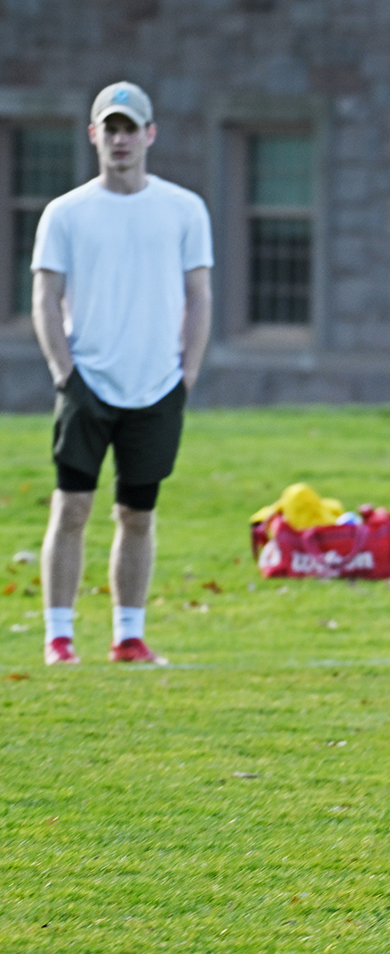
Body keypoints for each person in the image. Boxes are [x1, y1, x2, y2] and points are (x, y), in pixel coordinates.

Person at [31, 81, 213, 666]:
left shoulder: (184, 209)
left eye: (129, 128)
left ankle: (128, 637)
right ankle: (60, 638)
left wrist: (186, 375)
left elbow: (199, 295)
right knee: (72, 508)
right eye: (109, 129)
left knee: (137, 512)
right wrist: (65, 373)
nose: (120, 139)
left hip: (157, 387)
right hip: (87, 385)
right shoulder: (66, 213)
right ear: (95, 136)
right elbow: (45, 296)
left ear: (149, 135)